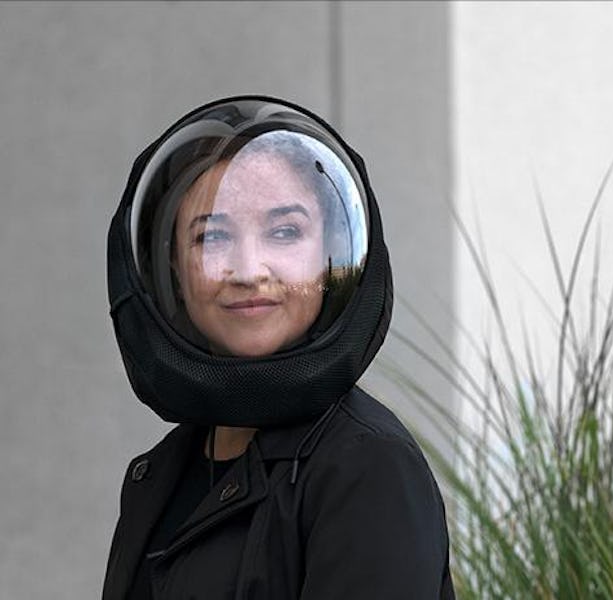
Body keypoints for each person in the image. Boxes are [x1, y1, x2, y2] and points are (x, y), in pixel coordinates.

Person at [102, 96, 456, 599]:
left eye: (285, 232)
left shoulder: (366, 467)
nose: (249, 271)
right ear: (175, 269)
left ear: (331, 251)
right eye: (211, 237)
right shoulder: (160, 472)